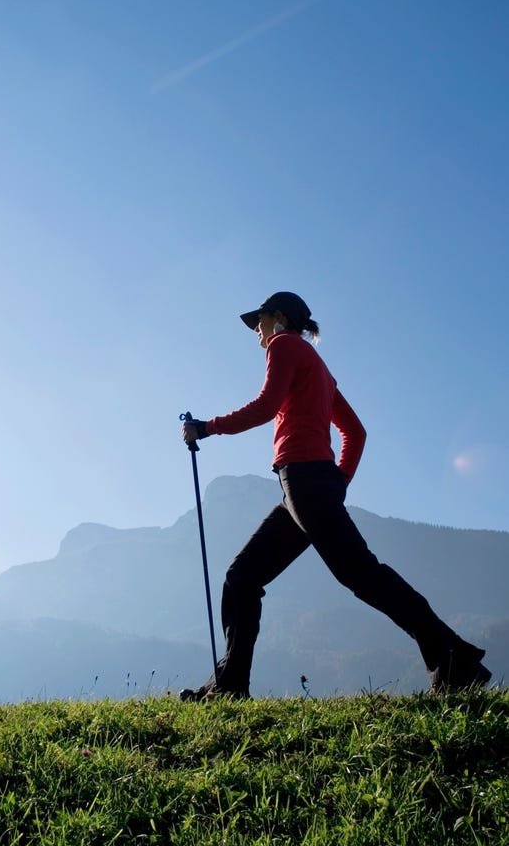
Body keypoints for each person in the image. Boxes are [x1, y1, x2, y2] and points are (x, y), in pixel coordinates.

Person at [181, 291, 490, 699]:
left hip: (305, 481)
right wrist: (338, 483)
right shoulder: (319, 369)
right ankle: (230, 684)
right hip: (308, 487)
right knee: (242, 577)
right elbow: (355, 433)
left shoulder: (284, 345)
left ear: (279, 318)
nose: (257, 328)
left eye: (260, 319)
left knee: (362, 574)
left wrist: (206, 428)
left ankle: (455, 662)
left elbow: (266, 405)